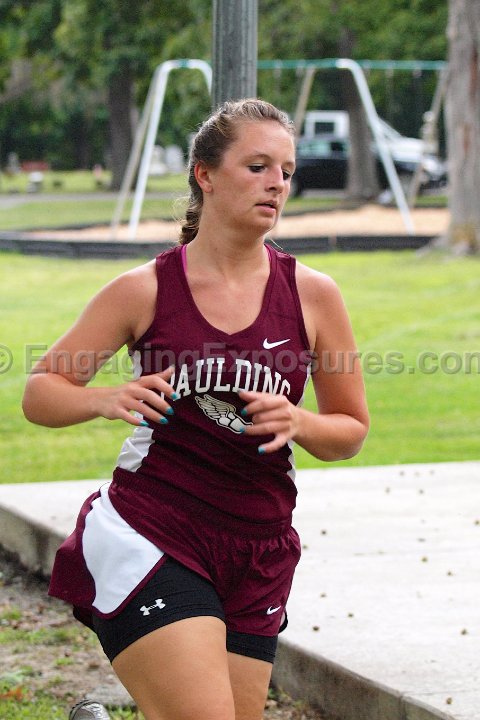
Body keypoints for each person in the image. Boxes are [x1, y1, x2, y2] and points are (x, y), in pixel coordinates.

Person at [22, 98, 369, 720]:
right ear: (204, 174)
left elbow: (350, 431)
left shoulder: (314, 295)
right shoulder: (145, 289)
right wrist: (103, 398)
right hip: (154, 530)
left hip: (259, 546)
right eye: (257, 166)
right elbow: (41, 390)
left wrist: (300, 421)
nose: (277, 183)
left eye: (287, 171)